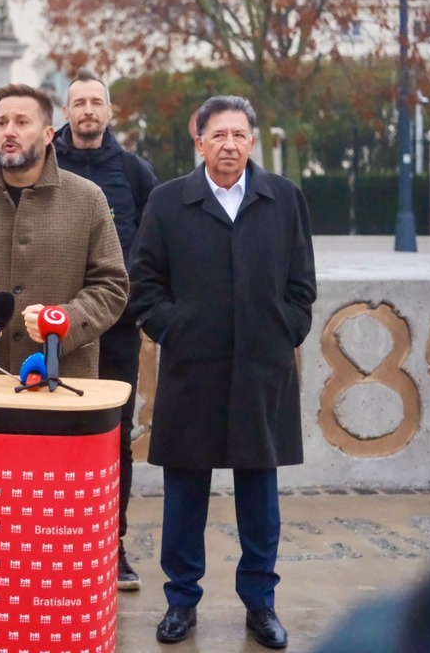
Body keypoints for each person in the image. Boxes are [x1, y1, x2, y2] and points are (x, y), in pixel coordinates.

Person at [126, 95, 316, 648]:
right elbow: (144, 286)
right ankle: (181, 602)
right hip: (192, 372)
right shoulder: (167, 203)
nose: (229, 144)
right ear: (199, 141)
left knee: (260, 497)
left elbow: (302, 285)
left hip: (263, 373)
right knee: (185, 495)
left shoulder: (283, 199)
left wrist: (283, 328)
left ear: (252, 140)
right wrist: (175, 328)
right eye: (218, 135)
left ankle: (261, 605)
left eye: (239, 134)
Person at [0, 82, 127, 380]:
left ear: (48, 135)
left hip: (63, 381)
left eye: (21, 122)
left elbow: (111, 286)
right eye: (1, 123)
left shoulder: (88, 198)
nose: (9, 131)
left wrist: (65, 321)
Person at [53, 70, 158, 591]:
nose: (88, 110)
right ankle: (49, 541)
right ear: (65, 111)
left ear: (110, 111)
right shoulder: (42, 163)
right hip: (47, 331)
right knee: (46, 438)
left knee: (113, 440)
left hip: (115, 331)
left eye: (97, 102)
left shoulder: (136, 173)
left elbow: (153, 248)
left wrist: (137, 306)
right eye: (79, 102)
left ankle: (109, 546)